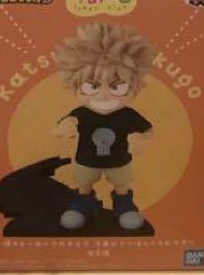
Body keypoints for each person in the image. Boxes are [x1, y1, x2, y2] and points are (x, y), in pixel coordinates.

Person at [52, 22, 155, 231]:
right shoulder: (82, 114)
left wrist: (141, 140)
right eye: (92, 86)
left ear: (133, 85)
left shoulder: (127, 115)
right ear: (76, 85)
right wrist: (64, 128)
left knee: (122, 185)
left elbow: (147, 130)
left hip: (119, 162)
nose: (104, 95)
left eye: (117, 86)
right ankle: (83, 203)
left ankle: (123, 205)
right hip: (86, 161)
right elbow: (64, 124)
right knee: (84, 184)